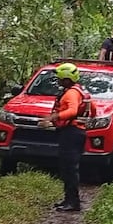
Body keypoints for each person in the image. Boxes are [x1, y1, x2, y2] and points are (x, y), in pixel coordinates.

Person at [45, 62, 90, 212]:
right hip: (74, 131)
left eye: (59, 78)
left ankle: (73, 202)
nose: (57, 80)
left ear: (66, 79)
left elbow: (72, 111)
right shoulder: (79, 91)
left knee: (70, 169)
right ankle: (68, 199)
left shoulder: (71, 93)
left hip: (72, 132)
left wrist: (55, 116)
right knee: (67, 168)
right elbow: (92, 108)